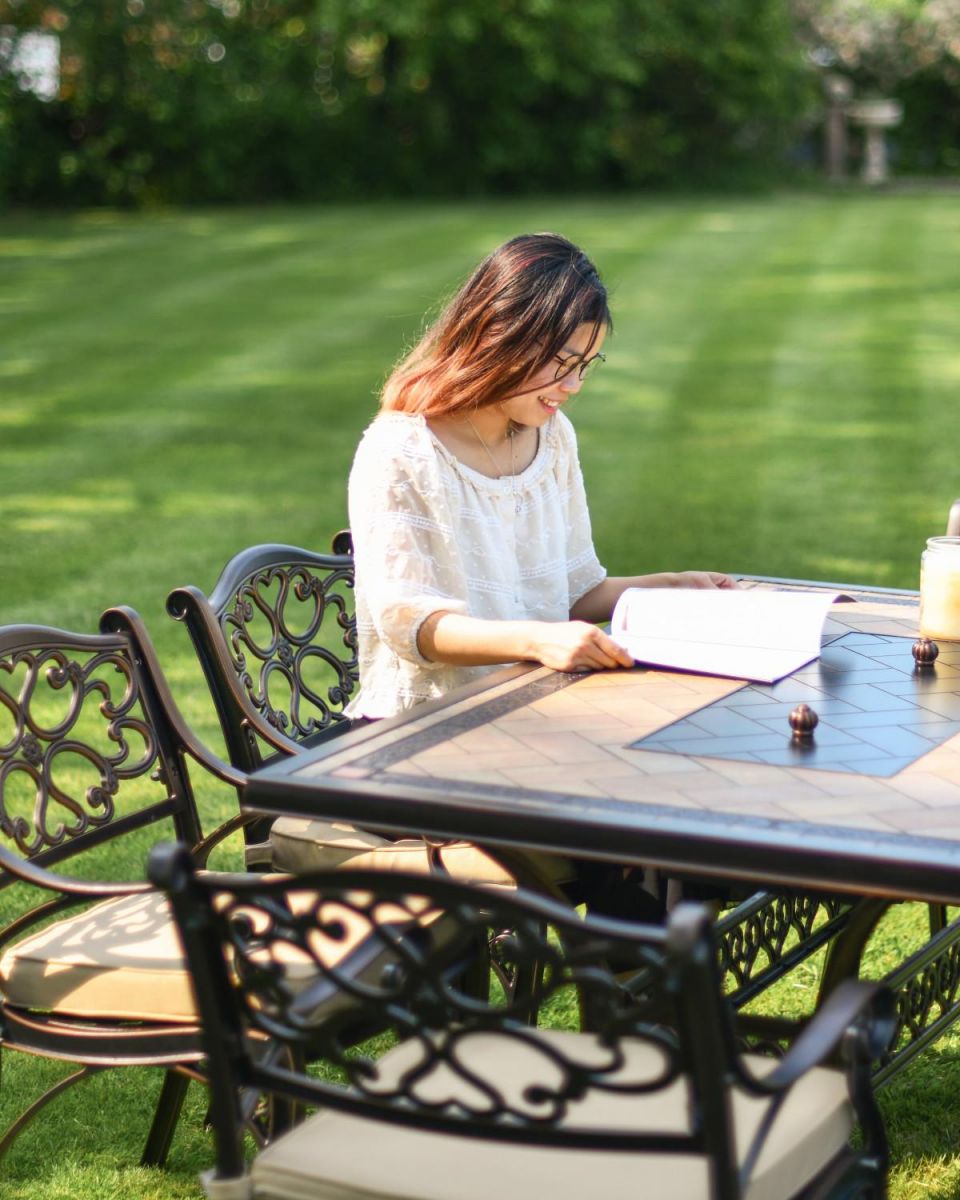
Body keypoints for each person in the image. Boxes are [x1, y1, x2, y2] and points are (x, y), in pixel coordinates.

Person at [345, 231, 735, 723]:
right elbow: (411, 626)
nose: (573, 386)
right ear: (500, 336)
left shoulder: (551, 438)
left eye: (586, 366)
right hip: (425, 727)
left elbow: (570, 594)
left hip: (538, 706)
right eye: (563, 364)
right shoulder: (403, 451)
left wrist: (674, 586)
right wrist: (539, 640)